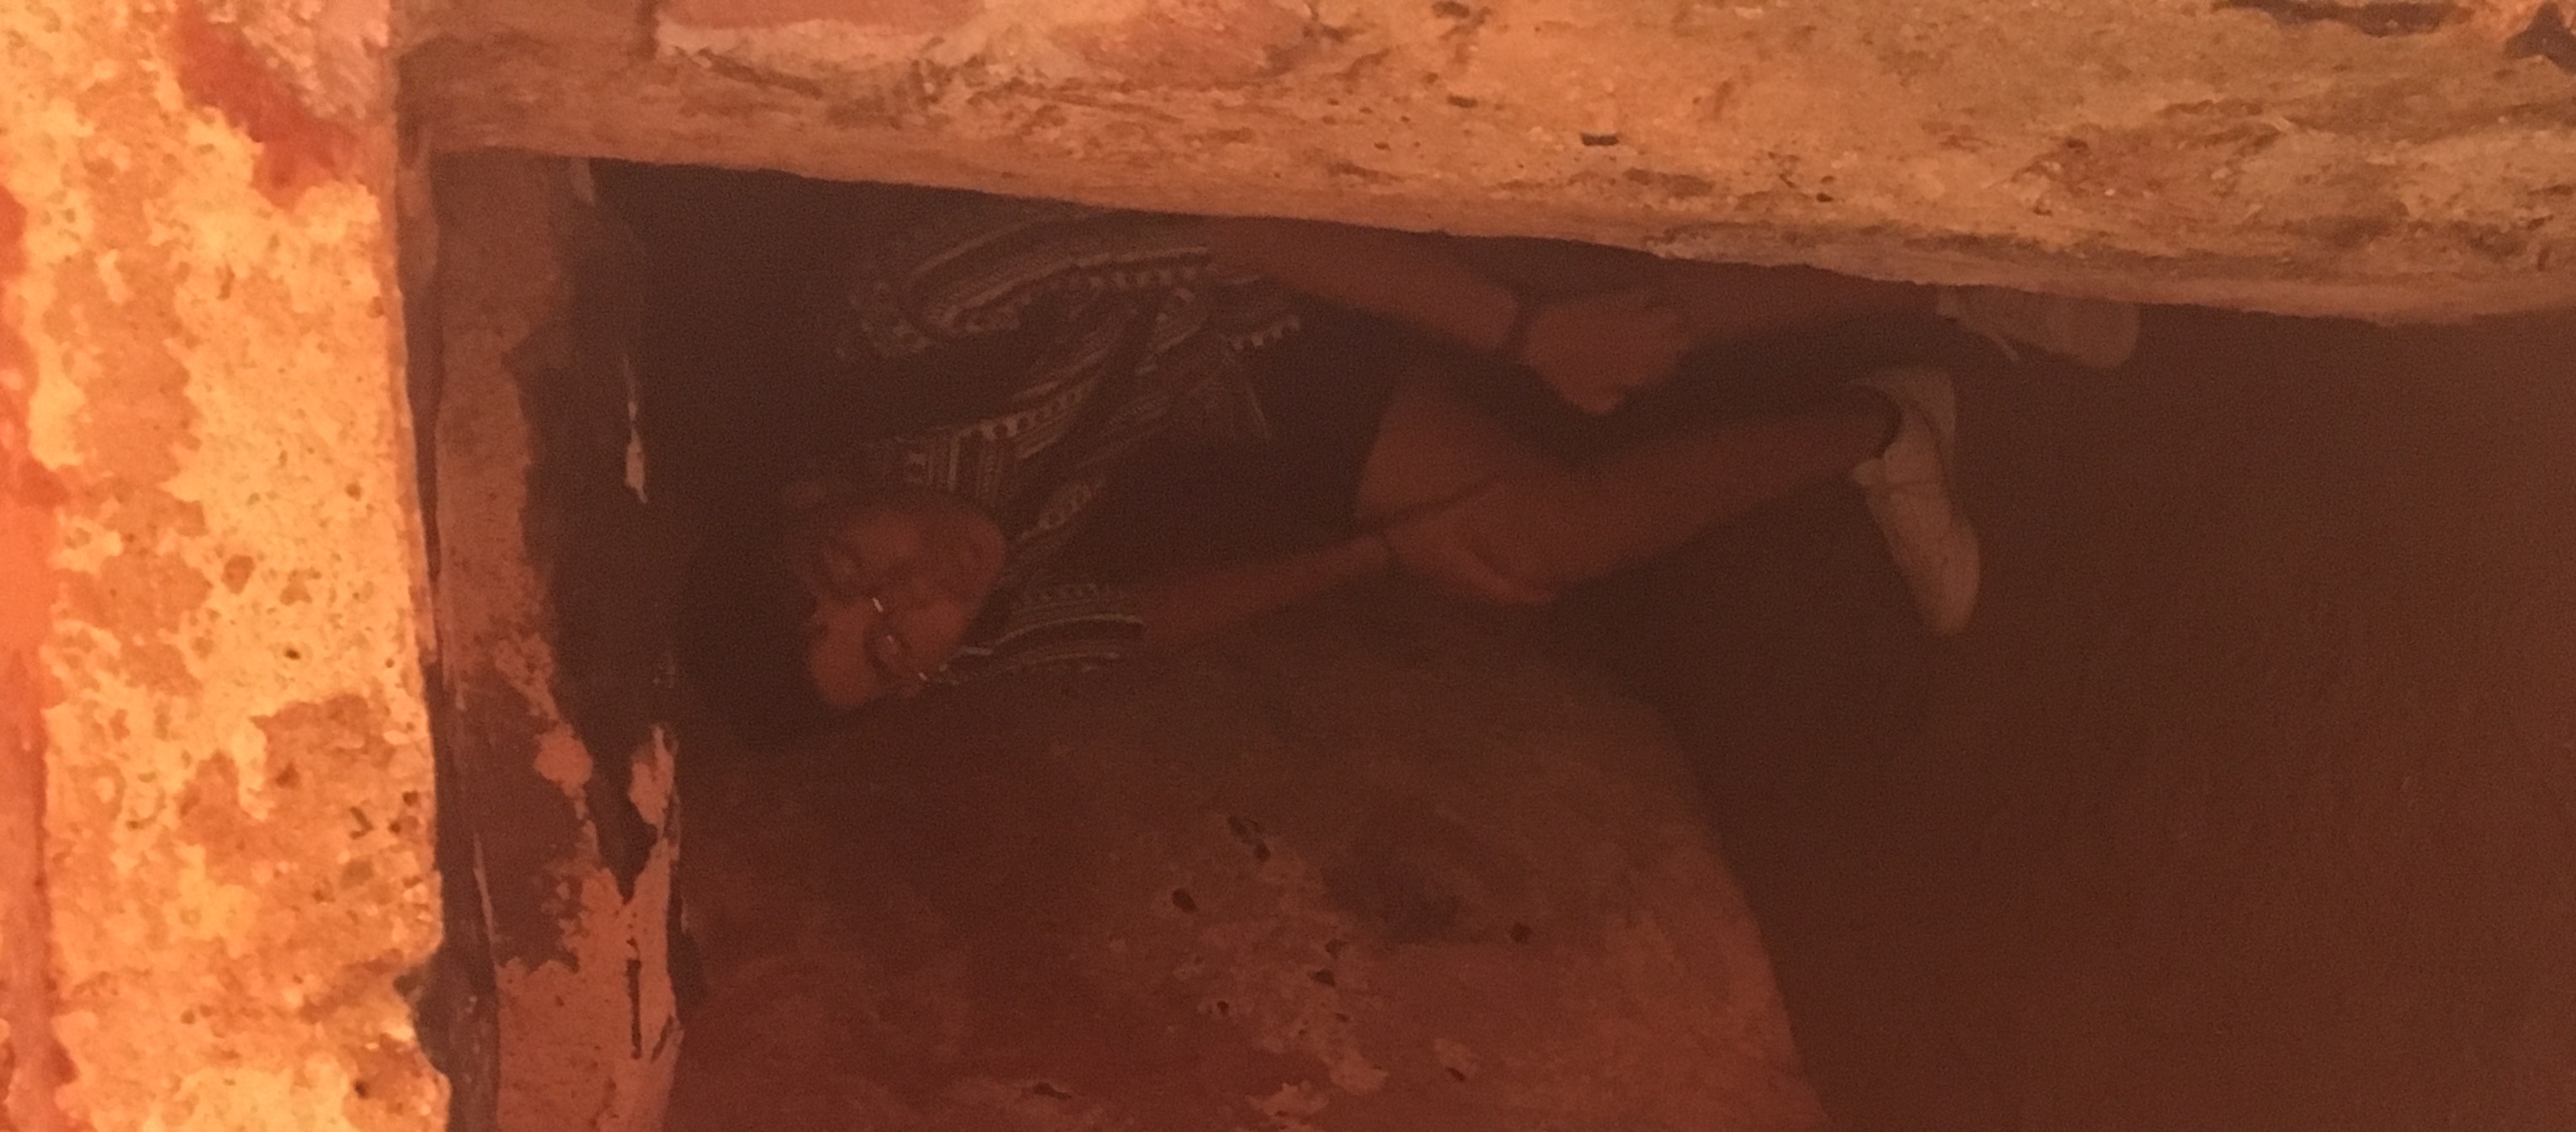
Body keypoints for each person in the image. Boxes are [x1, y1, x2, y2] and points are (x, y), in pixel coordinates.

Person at [679, 194, 2145, 729]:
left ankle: (1949, 282)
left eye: (849, 571)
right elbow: (1132, 624)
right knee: (1526, 542)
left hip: (1267, 198)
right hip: (1234, 363)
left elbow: (1217, 225)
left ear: (812, 495)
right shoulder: (963, 640)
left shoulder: (910, 319)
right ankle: (1887, 423)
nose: (909, 596)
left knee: (1591, 304)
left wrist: (1523, 333)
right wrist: (1389, 555)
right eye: (884, 649)